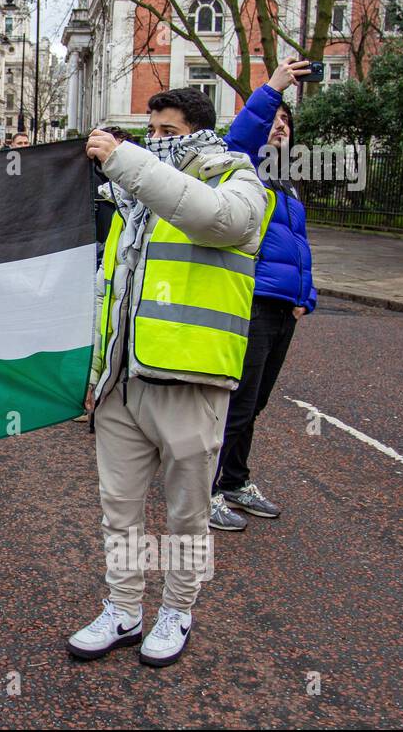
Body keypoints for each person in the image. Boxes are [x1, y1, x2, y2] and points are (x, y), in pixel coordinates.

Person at [66, 87, 270, 669]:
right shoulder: (133, 200)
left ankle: (177, 609)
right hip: (123, 382)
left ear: (201, 131)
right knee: (120, 509)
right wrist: (96, 371)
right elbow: (111, 291)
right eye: (150, 132)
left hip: (189, 377)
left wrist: (129, 160)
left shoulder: (238, 179)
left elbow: (215, 220)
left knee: (187, 514)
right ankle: (124, 606)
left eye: (167, 132)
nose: (156, 141)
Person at [209, 58, 318, 531]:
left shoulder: (288, 183)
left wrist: (305, 295)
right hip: (250, 300)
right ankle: (206, 489)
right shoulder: (245, 169)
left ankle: (235, 479)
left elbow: (300, 247)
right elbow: (240, 136)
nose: (278, 127)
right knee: (234, 400)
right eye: (274, 121)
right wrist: (273, 89)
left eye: (284, 122)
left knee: (256, 403)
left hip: (282, 308)